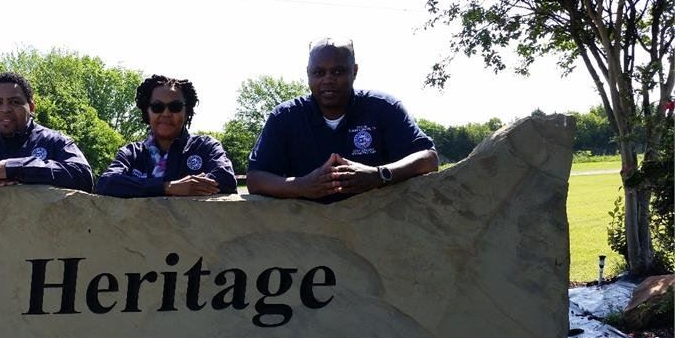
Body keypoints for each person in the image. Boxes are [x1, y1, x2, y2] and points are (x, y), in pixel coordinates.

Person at [247, 38, 438, 203]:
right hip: (306, 232)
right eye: (319, 73)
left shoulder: (383, 107)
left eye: (338, 71)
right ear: (308, 73)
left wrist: (379, 175)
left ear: (354, 71)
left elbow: (428, 159)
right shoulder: (285, 117)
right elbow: (255, 179)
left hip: (378, 226)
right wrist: (302, 185)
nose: (328, 79)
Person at [95, 75, 237, 197]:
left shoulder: (206, 146)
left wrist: (141, 188)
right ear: (147, 112)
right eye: (157, 107)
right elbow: (106, 183)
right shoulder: (131, 153)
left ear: (187, 112)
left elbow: (226, 179)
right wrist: (167, 187)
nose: (166, 113)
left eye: (175, 107)